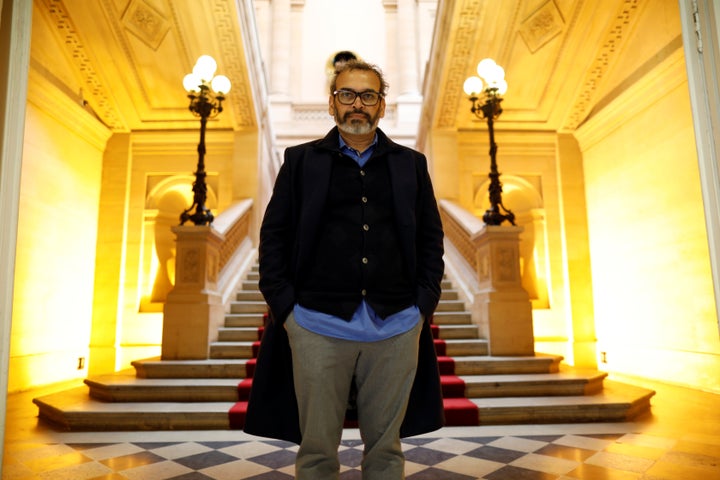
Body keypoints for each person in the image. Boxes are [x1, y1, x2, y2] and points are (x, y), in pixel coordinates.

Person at [244, 59, 445, 480]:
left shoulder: (411, 164)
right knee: (316, 452)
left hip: (396, 326)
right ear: (332, 104)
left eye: (368, 95)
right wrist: (289, 313)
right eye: (347, 95)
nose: (358, 104)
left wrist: (421, 307)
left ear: (382, 106)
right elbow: (274, 237)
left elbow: (430, 238)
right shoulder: (300, 162)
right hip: (316, 325)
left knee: (387, 453)